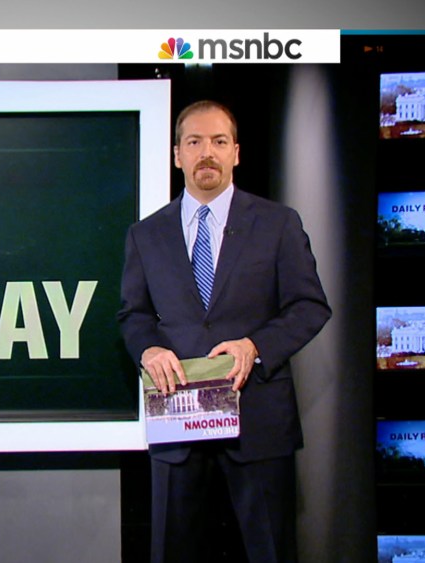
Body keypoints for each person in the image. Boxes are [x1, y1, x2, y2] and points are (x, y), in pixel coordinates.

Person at [117, 100, 331, 563]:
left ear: (236, 152)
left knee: (271, 551)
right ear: (177, 155)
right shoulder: (145, 235)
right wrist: (149, 349)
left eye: (218, 141)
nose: (207, 153)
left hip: (257, 419)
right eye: (194, 142)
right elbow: (133, 315)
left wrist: (255, 346)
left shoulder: (278, 223)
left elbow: (310, 305)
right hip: (177, 416)